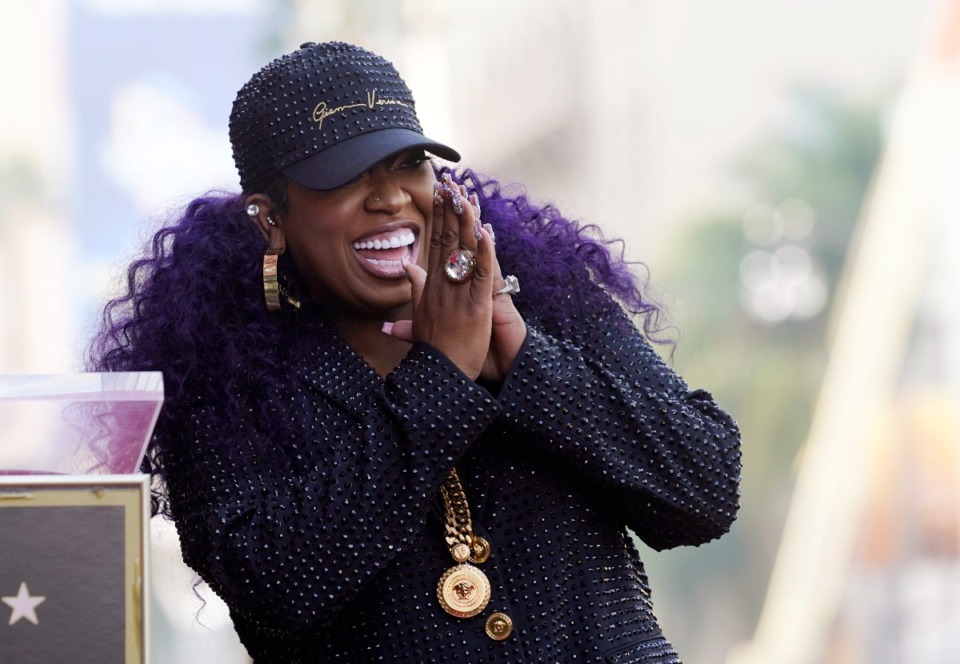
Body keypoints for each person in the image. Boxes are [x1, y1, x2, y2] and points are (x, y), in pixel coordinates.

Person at [89, 41, 741, 663]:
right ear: (270, 218)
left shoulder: (540, 297)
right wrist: (440, 377)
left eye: (407, 164)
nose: (390, 197)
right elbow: (272, 582)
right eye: (343, 176)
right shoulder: (221, 379)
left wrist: (526, 363)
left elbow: (704, 489)